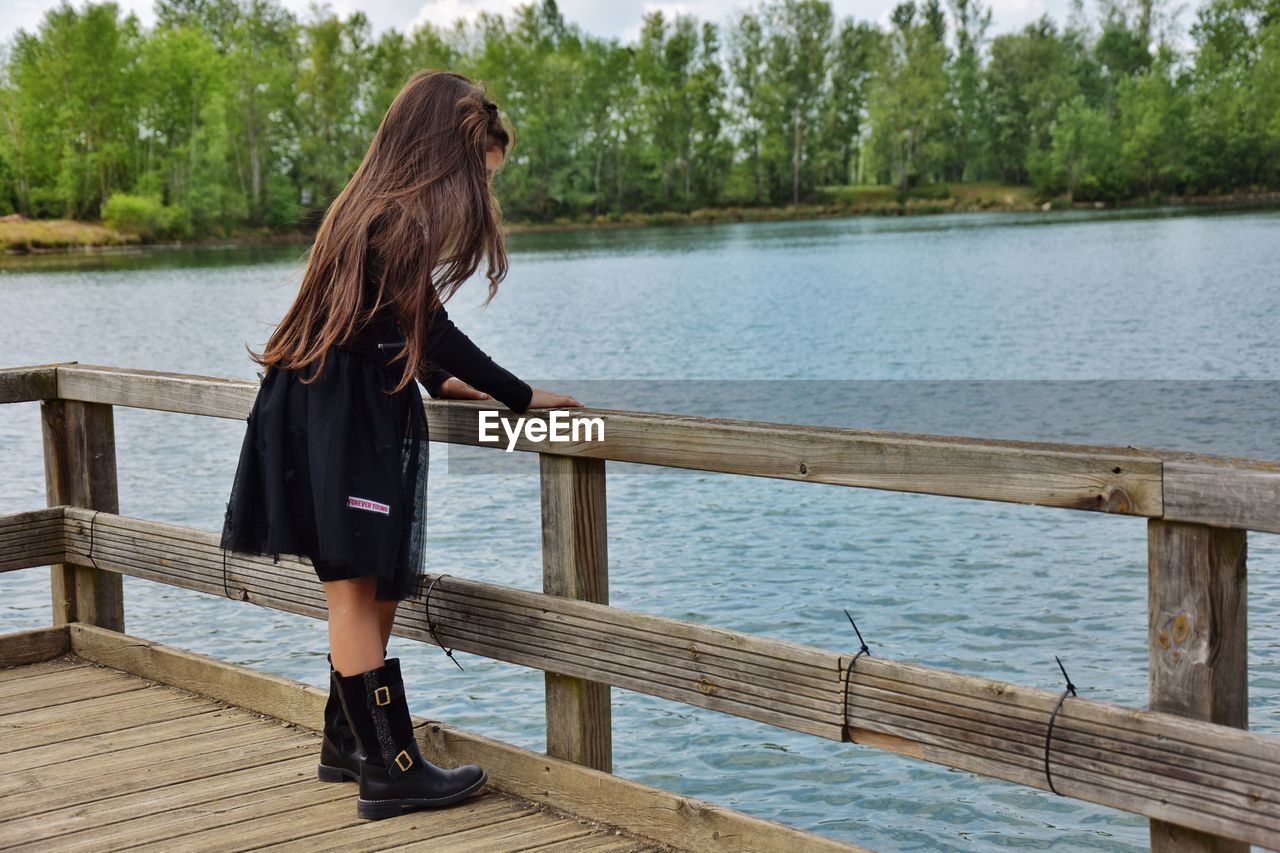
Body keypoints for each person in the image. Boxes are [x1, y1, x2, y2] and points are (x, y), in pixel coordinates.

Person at [218, 70, 582, 821]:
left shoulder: (370, 208)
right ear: (440, 153)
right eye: (476, 174)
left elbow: (389, 324)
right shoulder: (397, 218)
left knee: (374, 581)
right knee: (354, 585)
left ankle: (345, 742)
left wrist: (439, 381)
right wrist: (522, 395)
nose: (478, 194)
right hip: (340, 411)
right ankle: (391, 769)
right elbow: (431, 326)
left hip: (327, 402)